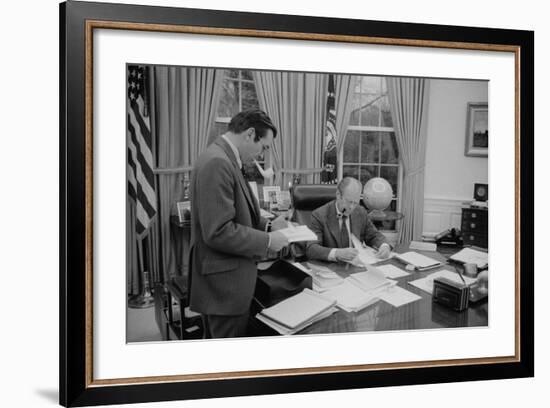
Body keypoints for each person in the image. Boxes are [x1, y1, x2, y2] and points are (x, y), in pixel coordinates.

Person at [189, 109, 289, 338]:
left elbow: (236, 212)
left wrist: (268, 226)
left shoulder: (224, 157)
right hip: (224, 288)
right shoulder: (218, 162)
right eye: (263, 147)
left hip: (225, 282)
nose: (261, 155)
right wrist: (268, 241)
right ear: (250, 134)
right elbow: (219, 230)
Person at [306, 177, 391, 263]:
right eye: (349, 202)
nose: (351, 207)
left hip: (356, 267)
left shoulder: (360, 212)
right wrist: (337, 253)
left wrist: (384, 246)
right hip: (332, 268)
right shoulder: (319, 215)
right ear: (338, 195)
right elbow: (311, 249)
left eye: (355, 203)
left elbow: (373, 235)